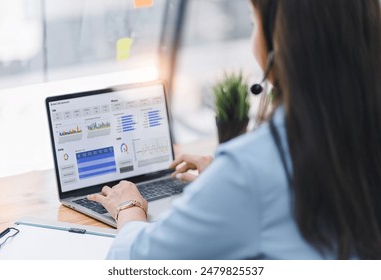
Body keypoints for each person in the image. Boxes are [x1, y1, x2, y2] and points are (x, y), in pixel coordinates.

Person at [88, 0, 381, 259]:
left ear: (280, 42)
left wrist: (127, 206)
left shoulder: (252, 169)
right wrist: (222, 182)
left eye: (254, 24)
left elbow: (136, 264)